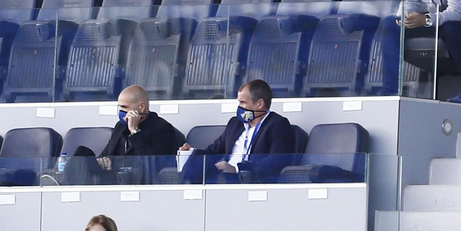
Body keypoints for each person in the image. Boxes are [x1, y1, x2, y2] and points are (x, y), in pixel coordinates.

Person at [54, 85, 184, 185]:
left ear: (142, 107)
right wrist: (101, 160)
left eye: (124, 107)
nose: (121, 112)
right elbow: (106, 153)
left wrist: (135, 132)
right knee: (82, 152)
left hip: (137, 178)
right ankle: (65, 186)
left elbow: (153, 163)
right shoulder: (120, 126)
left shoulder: (162, 128)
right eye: (119, 108)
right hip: (113, 174)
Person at [180, 79, 298, 182]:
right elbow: (213, 151)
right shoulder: (235, 124)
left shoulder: (277, 124)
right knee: (195, 160)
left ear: (259, 104)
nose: (239, 107)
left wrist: (236, 169)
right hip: (225, 179)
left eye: (243, 102)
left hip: (253, 181)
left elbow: (275, 162)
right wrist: (192, 152)